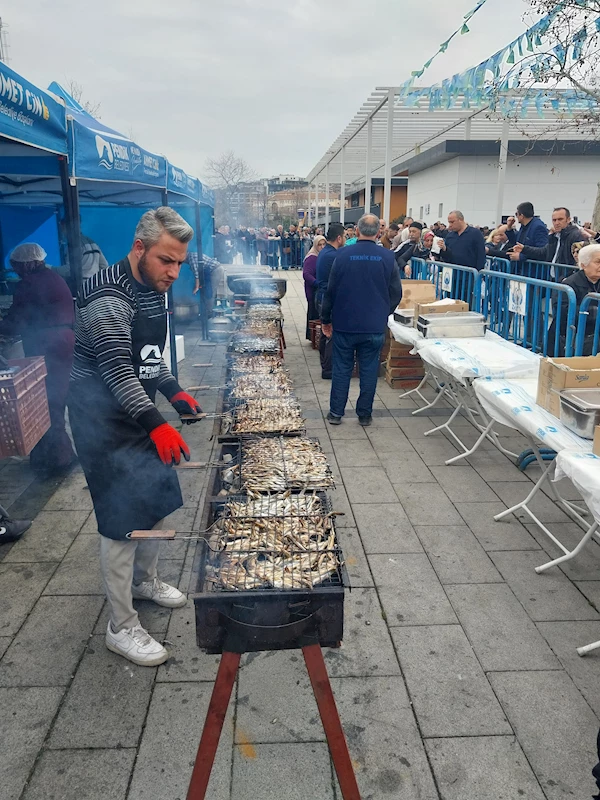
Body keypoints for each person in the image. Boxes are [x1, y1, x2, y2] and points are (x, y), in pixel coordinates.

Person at [68, 207, 202, 667]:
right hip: (99, 419)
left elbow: (147, 357)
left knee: (155, 498)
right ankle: (120, 627)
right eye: (167, 260)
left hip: (137, 412)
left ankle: (144, 582)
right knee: (122, 521)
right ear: (139, 248)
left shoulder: (151, 288)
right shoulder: (108, 296)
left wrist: (172, 389)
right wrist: (158, 423)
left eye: (180, 263)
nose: (174, 272)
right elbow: (117, 369)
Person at [0, 243, 76, 474]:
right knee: (53, 399)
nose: (17, 271)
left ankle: (58, 460)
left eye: (17, 267)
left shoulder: (29, 284)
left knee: (49, 401)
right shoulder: (52, 277)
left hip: (51, 346)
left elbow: (18, 319)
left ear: (29, 263)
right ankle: (56, 455)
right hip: (63, 342)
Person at [321, 213, 402, 426]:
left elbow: (330, 291)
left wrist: (325, 319)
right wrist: (384, 311)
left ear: (356, 231)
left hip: (345, 323)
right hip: (373, 325)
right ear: (379, 232)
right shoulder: (387, 258)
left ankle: (336, 413)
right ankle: (364, 414)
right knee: (368, 370)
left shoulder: (342, 255)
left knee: (342, 369)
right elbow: (396, 293)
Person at [549, 244, 600, 356]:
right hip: (571, 339)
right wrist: (592, 312)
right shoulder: (569, 284)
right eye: (598, 262)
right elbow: (562, 311)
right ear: (584, 265)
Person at [315, 223, 345, 380]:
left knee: (325, 331)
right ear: (339, 238)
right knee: (330, 334)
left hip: (321, 296)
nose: (346, 239)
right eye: (345, 236)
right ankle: (328, 370)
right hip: (327, 298)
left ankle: (324, 364)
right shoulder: (332, 255)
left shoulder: (325, 252)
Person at [512, 207, 585, 268]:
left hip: (564, 280)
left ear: (568, 220)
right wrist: (524, 249)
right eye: (554, 220)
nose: (557, 223)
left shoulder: (576, 235)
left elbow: (579, 259)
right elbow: (544, 252)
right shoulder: (555, 236)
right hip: (553, 278)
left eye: (560, 219)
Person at [302, 234, 326, 340]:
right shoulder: (312, 257)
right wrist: (316, 283)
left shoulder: (322, 256)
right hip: (313, 290)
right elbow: (306, 274)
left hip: (318, 289)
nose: (322, 247)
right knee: (313, 312)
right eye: (319, 245)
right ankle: (312, 336)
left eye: (324, 244)